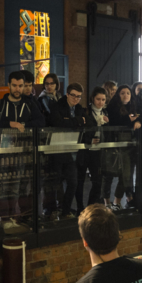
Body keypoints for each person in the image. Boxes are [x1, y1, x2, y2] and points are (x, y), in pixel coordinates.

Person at [0, 71, 45, 229]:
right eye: (14, 85)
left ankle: (14, 216)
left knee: (16, 185)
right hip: (2, 153)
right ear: (8, 85)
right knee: (1, 186)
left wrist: (24, 125)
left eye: (20, 85)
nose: (17, 89)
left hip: (22, 152)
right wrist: (11, 124)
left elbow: (41, 122)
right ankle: (3, 218)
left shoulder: (29, 104)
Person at [47, 84, 85, 218]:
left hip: (72, 150)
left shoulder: (79, 108)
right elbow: (58, 122)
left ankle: (66, 210)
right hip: (57, 149)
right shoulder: (57, 106)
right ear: (67, 94)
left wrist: (70, 121)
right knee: (56, 183)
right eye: (73, 95)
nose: (76, 99)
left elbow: (88, 121)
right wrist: (78, 121)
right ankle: (55, 209)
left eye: (79, 97)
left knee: (73, 182)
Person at [103, 85, 136, 210]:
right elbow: (115, 121)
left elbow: (139, 118)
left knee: (126, 175)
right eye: (122, 93)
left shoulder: (133, 107)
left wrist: (136, 120)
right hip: (113, 143)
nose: (126, 95)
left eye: (128, 93)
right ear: (118, 94)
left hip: (127, 145)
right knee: (109, 174)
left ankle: (117, 201)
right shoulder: (112, 106)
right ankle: (107, 202)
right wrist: (129, 119)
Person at [78, 86, 108, 210]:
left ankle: (90, 207)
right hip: (85, 150)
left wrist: (108, 123)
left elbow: (108, 132)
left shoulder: (106, 113)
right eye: (98, 99)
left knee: (97, 181)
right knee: (80, 181)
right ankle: (80, 207)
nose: (100, 102)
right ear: (92, 99)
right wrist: (89, 140)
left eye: (103, 99)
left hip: (99, 151)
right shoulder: (85, 111)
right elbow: (80, 131)